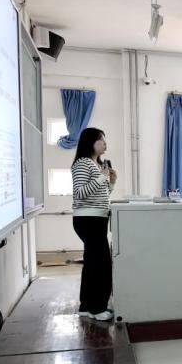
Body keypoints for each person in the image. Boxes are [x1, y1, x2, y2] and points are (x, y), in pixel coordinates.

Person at [70, 127, 116, 321]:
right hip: (88, 220)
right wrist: (101, 177)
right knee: (101, 264)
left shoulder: (96, 164)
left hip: (97, 218)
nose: (104, 144)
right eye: (101, 140)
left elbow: (101, 195)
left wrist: (111, 182)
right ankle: (97, 309)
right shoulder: (83, 163)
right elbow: (80, 193)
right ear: (90, 142)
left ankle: (87, 306)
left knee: (92, 263)